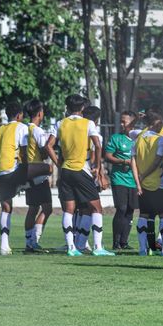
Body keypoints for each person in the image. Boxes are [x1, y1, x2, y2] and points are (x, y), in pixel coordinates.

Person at [56, 95, 113, 256]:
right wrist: (98, 167)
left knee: (69, 210)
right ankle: (98, 247)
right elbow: (97, 144)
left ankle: (72, 247)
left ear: (67, 108)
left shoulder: (60, 123)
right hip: (82, 169)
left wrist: (58, 164)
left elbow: (49, 145)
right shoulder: (88, 124)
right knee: (96, 208)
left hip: (66, 170)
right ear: (82, 109)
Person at [132, 108, 163, 256]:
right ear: (156, 123)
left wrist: (138, 182)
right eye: (160, 123)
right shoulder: (160, 140)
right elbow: (157, 162)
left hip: (143, 185)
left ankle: (142, 249)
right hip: (158, 183)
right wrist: (144, 176)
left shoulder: (138, 139)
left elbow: (133, 162)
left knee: (143, 215)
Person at [0, 102, 29, 255]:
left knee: (6, 208)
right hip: (11, 170)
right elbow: (25, 153)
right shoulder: (22, 127)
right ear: (20, 115)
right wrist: (26, 172)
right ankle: (23, 186)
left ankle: (4, 245)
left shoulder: (0, 129)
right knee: (46, 171)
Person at [23, 100, 59, 252]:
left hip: (26, 172)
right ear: (39, 113)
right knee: (47, 208)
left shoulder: (25, 129)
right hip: (38, 172)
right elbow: (44, 151)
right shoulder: (37, 131)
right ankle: (34, 240)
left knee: (33, 208)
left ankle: (28, 242)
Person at [73, 105, 108, 251]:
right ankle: (97, 246)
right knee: (96, 208)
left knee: (84, 209)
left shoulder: (76, 130)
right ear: (97, 120)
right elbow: (94, 157)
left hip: (73, 170)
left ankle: (80, 243)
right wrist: (100, 174)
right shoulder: (93, 133)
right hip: (86, 173)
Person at [105, 110, 139, 250]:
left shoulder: (138, 139)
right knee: (122, 208)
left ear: (132, 123)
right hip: (119, 178)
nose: (121, 124)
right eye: (121, 121)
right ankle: (116, 242)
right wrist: (125, 161)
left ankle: (124, 242)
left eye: (124, 121)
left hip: (134, 180)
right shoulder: (116, 138)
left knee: (130, 209)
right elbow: (108, 156)